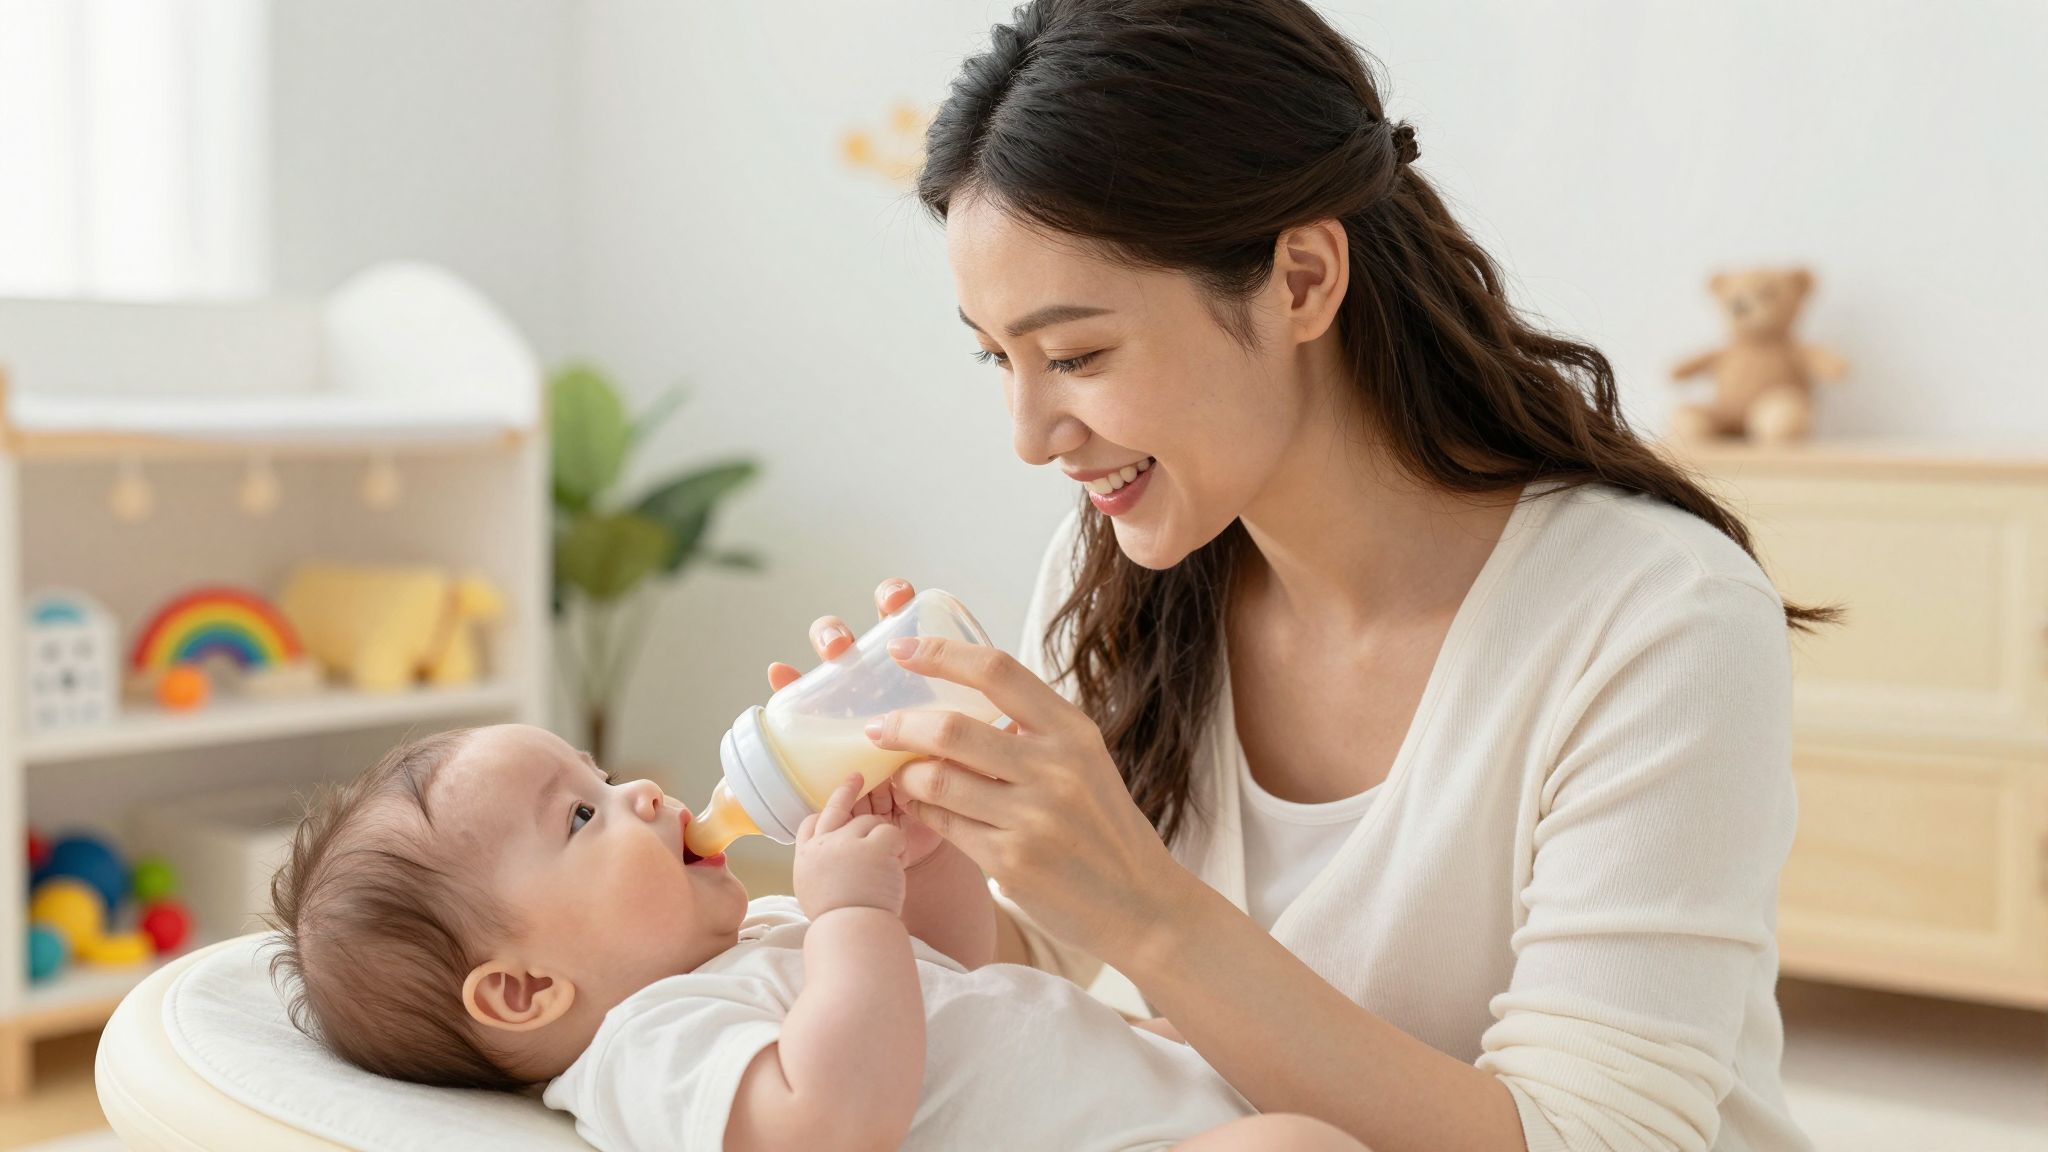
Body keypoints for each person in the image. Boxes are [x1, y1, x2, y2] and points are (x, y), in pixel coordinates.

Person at [771, 2, 1833, 1149]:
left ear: (1300, 279)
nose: (1029, 435)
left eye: (1073, 356)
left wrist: (1148, 909)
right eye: (1000, 358)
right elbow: (1048, 981)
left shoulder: (1654, 621)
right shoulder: (1119, 570)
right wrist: (932, 868)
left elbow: (1592, 1138)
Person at [267, 724, 1364, 1152]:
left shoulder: (764, 940)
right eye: (582, 816)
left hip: (1130, 1104)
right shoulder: (647, 1046)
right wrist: (849, 915)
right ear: (522, 993)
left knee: (1230, 1036)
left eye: (603, 776)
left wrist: (920, 875)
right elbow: (831, 1121)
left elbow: (957, 988)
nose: (641, 790)